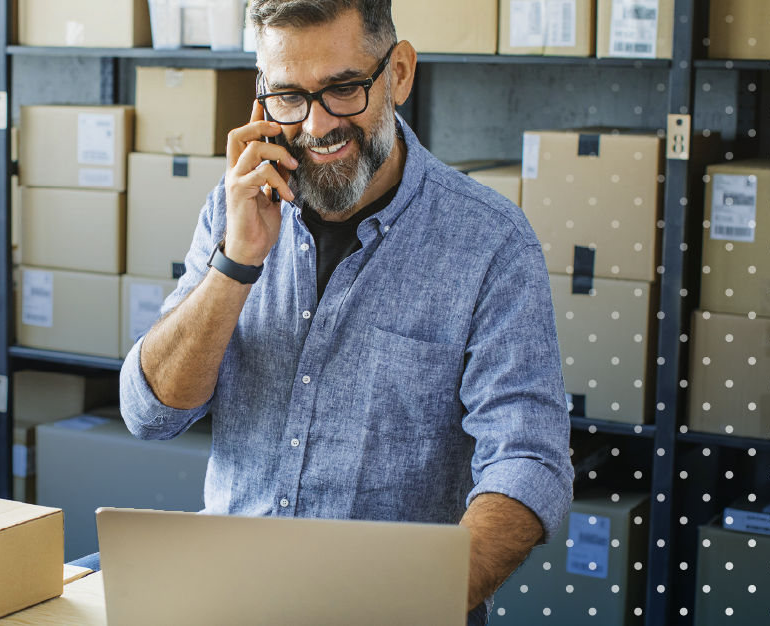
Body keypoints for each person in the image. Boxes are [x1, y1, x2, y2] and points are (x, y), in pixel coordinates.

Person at [116, 1, 574, 622]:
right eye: (287, 96)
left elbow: (528, 462)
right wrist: (237, 261)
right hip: (231, 600)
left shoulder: (490, 242)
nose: (316, 124)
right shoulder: (232, 211)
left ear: (400, 73)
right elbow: (151, 413)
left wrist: (413, 604)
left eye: (343, 89)